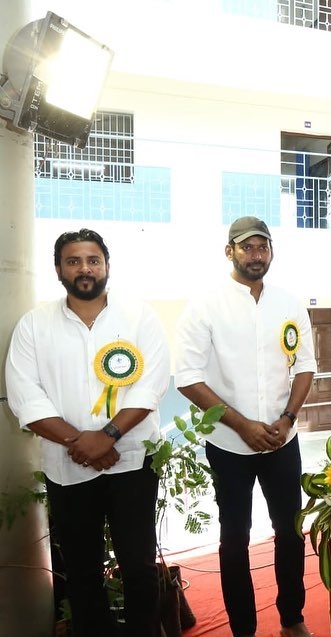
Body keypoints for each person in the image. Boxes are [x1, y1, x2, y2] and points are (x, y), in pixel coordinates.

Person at [5, 228, 170, 637]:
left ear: (107, 266)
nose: (84, 269)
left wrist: (107, 435)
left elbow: (151, 383)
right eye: (73, 261)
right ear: (59, 268)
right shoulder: (34, 325)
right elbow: (25, 394)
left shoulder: (139, 317)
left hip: (132, 463)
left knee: (138, 566)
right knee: (81, 572)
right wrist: (81, 442)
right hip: (69, 469)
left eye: (93, 260)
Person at [174, 216, 316, 637]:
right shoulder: (205, 306)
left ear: (271, 252)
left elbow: (306, 365)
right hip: (227, 446)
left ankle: (292, 618)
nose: (256, 255)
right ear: (229, 251)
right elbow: (187, 377)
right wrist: (241, 426)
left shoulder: (289, 303)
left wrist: (287, 419)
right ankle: (244, 629)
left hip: (281, 441)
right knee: (234, 540)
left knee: (290, 531)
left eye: (262, 247)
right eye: (247, 247)